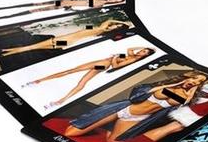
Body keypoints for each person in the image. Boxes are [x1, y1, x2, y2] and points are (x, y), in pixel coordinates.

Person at [63, 73, 208, 142]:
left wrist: (192, 92)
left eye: (199, 82)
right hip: (125, 108)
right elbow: (137, 95)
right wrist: (173, 84)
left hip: (138, 118)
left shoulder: (185, 97)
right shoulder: (167, 85)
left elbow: (183, 105)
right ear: (189, 76)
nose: (194, 81)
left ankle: (111, 126)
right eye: (195, 78)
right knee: (70, 133)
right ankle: (109, 122)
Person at [24, 47, 156, 109]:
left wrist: (114, 58)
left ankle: (38, 81)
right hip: (103, 64)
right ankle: (60, 101)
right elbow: (130, 49)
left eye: (144, 52)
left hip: (103, 64)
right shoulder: (133, 55)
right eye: (143, 50)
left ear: (146, 56)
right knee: (82, 82)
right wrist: (118, 55)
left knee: (71, 71)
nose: (141, 51)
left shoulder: (133, 59)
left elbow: (116, 66)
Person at [0, 17, 133, 57]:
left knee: (31, 47)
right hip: (66, 41)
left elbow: (109, 20)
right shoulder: (98, 31)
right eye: (115, 26)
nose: (113, 26)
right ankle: (4, 52)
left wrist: (122, 23)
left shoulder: (100, 29)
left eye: (115, 27)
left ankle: (4, 52)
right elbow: (81, 31)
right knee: (32, 48)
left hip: (65, 40)